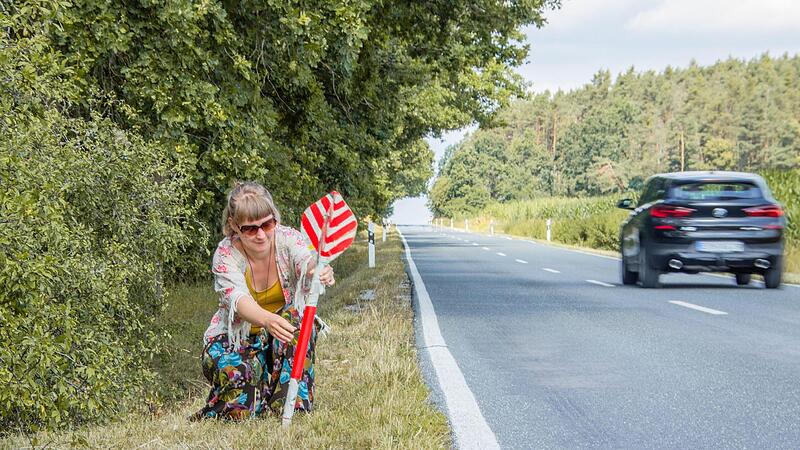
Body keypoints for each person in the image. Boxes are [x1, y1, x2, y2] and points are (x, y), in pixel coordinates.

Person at [192, 181, 335, 420]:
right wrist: (267, 319)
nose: (260, 234)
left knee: (297, 318)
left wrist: (316, 269)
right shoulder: (225, 254)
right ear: (234, 226)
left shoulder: (289, 238)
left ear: (275, 219)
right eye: (250, 228)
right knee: (243, 407)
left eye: (267, 224)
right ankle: (238, 394)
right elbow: (236, 299)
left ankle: (292, 406)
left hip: (277, 337)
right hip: (235, 338)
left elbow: (305, 259)